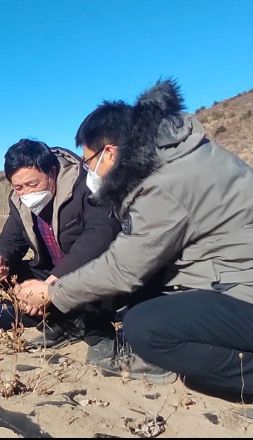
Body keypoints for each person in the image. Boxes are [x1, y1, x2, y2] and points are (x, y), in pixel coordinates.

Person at [15, 78, 253, 395]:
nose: (89, 172)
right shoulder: (186, 156)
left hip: (241, 290)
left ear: (109, 152)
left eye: (88, 162)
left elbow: (123, 270)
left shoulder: (166, 184)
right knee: (142, 294)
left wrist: (52, 292)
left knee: (145, 327)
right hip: (226, 272)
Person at [0, 139, 121, 348]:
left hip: (90, 271)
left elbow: (100, 235)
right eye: (19, 187)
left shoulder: (87, 184)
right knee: (8, 276)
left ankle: (99, 333)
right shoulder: (18, 202)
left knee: (94, 277)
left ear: (53, 172)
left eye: (33, 184)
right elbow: (11, 238)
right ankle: (61, 324)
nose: (27, 193)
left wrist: (51, 285)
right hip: (50, 271)